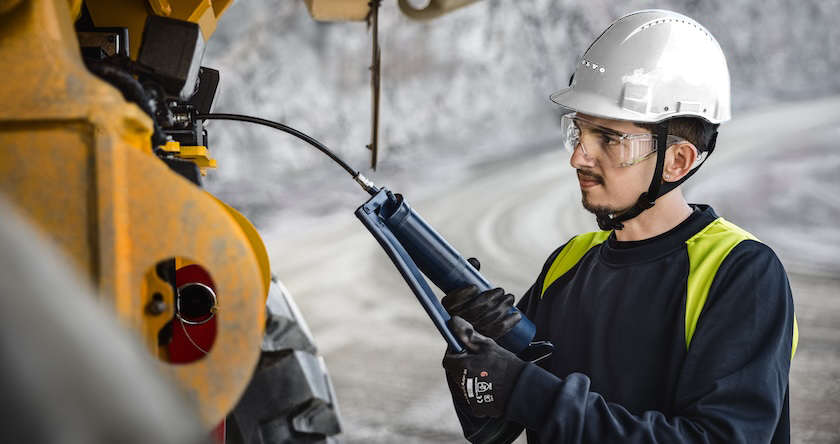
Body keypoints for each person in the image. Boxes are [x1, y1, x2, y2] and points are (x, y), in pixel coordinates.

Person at [441, 9, 799, 444]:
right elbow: (494, 430)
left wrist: (526, 390)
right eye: (579, 133)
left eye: (609, 139)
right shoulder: (569, 262)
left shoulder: (741, 273)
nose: (578, 157)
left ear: (677, 160)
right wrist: (478, 353)